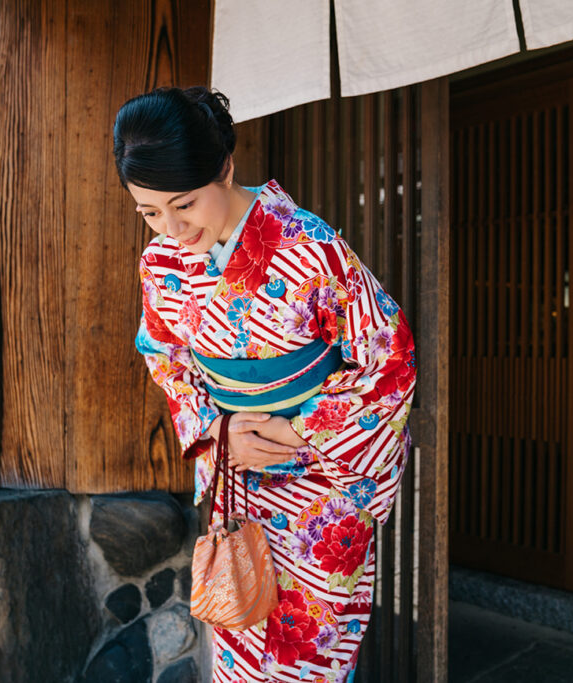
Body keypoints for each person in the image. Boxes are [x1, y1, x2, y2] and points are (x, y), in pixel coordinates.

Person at [114, 85, 416, 683]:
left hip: (319, 489)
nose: (172, 229)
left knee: (308, 656)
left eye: (185, 205)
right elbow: (166, 357)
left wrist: (293, 432)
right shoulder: (161, 268)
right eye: (150, 213)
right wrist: (218, 431)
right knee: (240, 634)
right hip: (240, 478)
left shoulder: (310, 246)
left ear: (225, 167)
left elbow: (390, 359)